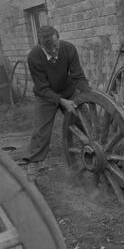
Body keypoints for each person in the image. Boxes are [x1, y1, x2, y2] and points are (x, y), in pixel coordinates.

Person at [24, 25, 91, 180]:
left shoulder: (69, 49)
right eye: (50, 49)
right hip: (46, 96)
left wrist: (88, 94)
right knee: (41, 130)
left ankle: (99, 153)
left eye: (56, 46)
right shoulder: (34, 56)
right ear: (41, 46)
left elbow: (78, 76)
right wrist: (61, 101)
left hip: (68, 90)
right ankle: (34, 164)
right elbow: (41, 87)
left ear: (58, 39)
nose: (54, 51)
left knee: (84, 122)